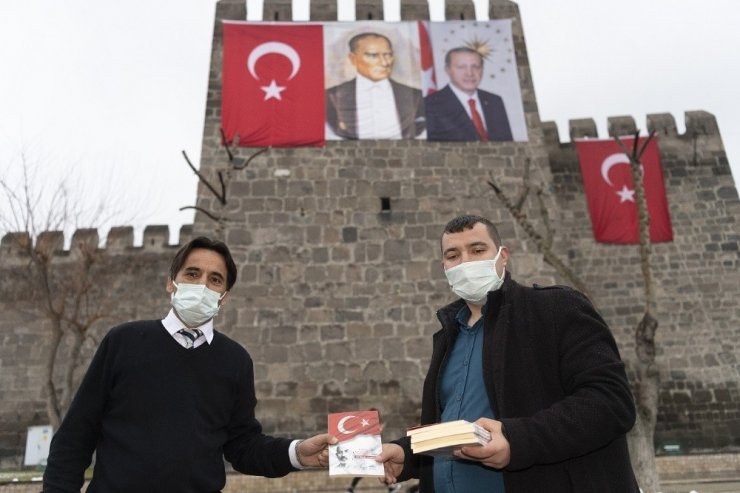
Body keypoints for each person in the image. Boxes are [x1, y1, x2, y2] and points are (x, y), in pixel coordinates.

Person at [42, 236, 336, 492]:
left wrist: (296, 454)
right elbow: (76, 435)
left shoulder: (235, 361)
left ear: (223, 298)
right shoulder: (123, 342)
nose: (202, 285)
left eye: (214, 279)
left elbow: (243, 446)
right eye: (192, 274)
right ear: (172, 282)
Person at [377, 215, 639, 492]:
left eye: (478, 250)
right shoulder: (446, 338)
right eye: (453, 255)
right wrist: (406, 454)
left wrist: (517, 440)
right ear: (444, 267)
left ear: (503, 256)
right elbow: (457, 431)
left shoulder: (557, 308)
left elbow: (611, 402)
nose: (465, 262)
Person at [326, 32, 425, 140]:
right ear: (352, 58)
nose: (384, 62)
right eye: (373, 55)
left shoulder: (416, 95)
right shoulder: (331, 96)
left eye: (388, 55)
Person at [425, 47, 513, 142]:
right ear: (447, 70)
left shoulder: (495, 101)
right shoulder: (430, 105)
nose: (469, 73)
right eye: (461, 67)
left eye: (475, 67)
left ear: (482, 69)